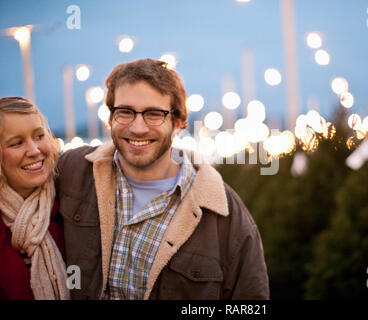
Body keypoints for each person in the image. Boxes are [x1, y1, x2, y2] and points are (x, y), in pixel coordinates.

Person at [56, 58, 269, 300]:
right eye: (125, 112)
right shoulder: (72, 172)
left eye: (154, 114)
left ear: (177, 122)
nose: (138, 128)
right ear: (110, 117)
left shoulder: (226, 217)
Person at [0, 97, 69, 300]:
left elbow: (79, 277)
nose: (34, 150)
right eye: (17, 143)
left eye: (39, 136)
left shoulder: (68, 206)